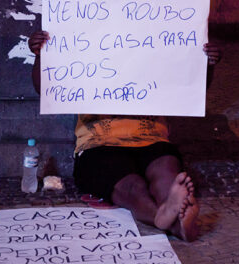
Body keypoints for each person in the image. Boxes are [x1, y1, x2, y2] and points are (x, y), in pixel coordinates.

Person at [29, 31, 222, 242]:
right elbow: (46, 88)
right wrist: (41, 55)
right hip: (99, 144)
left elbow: (191, 87)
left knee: (166, 174)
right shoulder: (83, 31)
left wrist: (207, 63)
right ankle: (170, 220)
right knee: (131, 185)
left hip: (152, 138)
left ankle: (171, 213)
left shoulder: (158, 26)